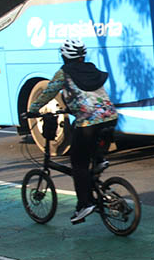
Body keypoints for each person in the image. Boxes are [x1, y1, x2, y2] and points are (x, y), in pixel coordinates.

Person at [27, 38, 119, 224]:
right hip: (110, 117)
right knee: (92, 155)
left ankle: (85, 204)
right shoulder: (91, 69)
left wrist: (33, 109)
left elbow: (49, 92)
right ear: (82, 56)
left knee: (78, 164)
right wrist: (71, 106)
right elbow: (88, 96)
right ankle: (100, 161)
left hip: (88, 123)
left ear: (64, 55)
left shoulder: (64, 73)